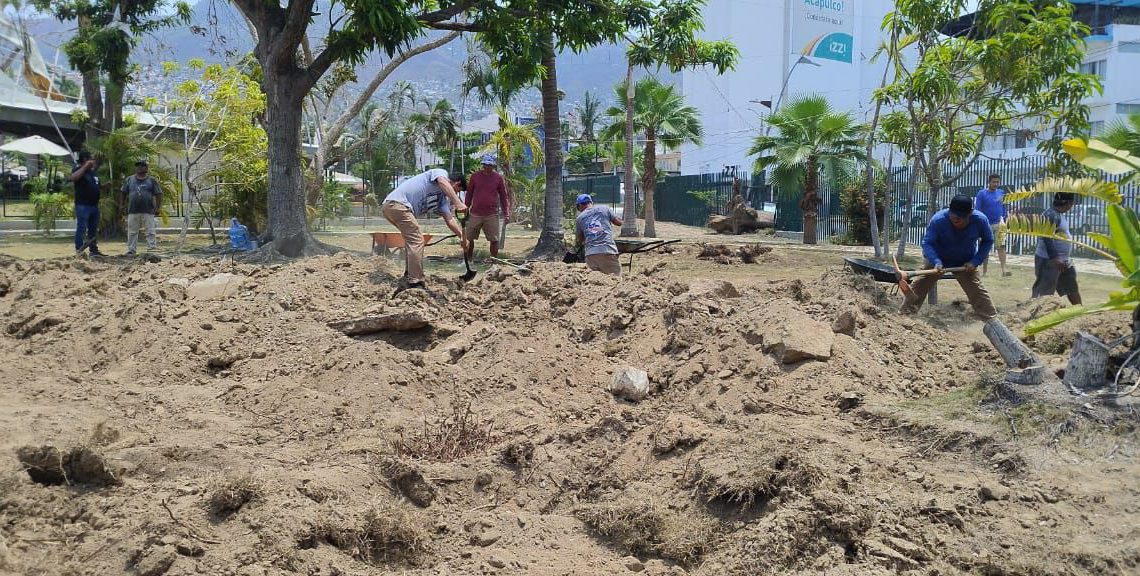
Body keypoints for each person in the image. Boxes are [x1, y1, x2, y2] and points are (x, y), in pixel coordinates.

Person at [900, 194, 998, 319]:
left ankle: (992, 321)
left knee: (977, 291)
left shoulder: (980, 220)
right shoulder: (939, 220)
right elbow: (927, 242)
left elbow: (988, 240)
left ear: (970, 214)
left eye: (960, 219)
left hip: (965, 262)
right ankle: (905, 316)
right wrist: (936, 261)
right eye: (953, 217)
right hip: (938, 259)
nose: (956, 221)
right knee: (920, 285)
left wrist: (975, 261)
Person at [382, 168, 468, 289]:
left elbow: (449, 219)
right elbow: (443, 182)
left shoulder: (441, 199)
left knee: (412, 242)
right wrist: (458, 202)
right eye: (457, 191)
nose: (456, 194)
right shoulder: (440, 173)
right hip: (397, 204)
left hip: (393, 208)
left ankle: (410, 274)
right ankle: (415, 281)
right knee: (417, 240)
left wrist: (462, 237)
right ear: (457, 183)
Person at [1032, 193, 1081, 305]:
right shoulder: (1051, 215)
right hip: (1050, 261)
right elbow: (1047, 237)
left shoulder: (1058, 214)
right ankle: (1034, 314)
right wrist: (1055, 258)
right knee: (1044, 293)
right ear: (1069, 203)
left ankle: (1079, 312)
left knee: (1071, 288)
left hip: (1064, 261)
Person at [464, 153, 511, 261]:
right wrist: (465, 208)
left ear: (493, 166)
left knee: (494, 240)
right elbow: (469, 194)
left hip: (491, 214)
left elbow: (504, 197)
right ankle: (468, 260)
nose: (487, 167)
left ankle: (494, 261)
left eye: (489, 165)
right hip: (475, 213)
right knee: (469, 238)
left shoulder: (498, 178)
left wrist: (506, 213)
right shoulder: (475, 176)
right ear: (482, 165)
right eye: (485, 165)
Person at [574, 194, 624, 276]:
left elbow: (580, 239)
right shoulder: (605, 208)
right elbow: (618, 223)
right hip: (608, 250)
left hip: (591, 255)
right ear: (591, 202)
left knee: (595, 284)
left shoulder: (579, 218)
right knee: (616, 281)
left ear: (579, 205)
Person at [974, 174, 1011, 277]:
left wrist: (1004, 218)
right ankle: (984, 271)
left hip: (999, 223)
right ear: (989, 182)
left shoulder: (1001, 193)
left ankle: (1004, 270)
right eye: (993, 182)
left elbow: (1004, 207)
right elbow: (977, 210)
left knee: (1001, 246)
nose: (995, 184)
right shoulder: (982, 194)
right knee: (985, 247)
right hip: (986, 224)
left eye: (997, 182)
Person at [122, 160, 162, 255]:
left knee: (150, 231)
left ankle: (151, 249)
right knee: (132, 232)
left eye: (142, 166)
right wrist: (121, 205)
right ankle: (131, 250)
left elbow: (159, 194)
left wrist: (158, 207)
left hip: (148, 210)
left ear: (146, 168)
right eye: (138, 166)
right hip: (133, 210)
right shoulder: (129, 179)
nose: (139, 167)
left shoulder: (152, 180)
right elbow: (123, 192)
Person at [70, 150, 104, 257]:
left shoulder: (93, 173)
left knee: (93, 229)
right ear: (85, 159)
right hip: (83, 205)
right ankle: (79, 250)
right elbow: (73, 178)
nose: (94, 161)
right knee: (82, 228)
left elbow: (96, 186)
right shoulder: (78, 169)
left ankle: (93, 250)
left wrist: (104, 187)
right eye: (92, 159)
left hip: (94, 205)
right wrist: (85, 167)